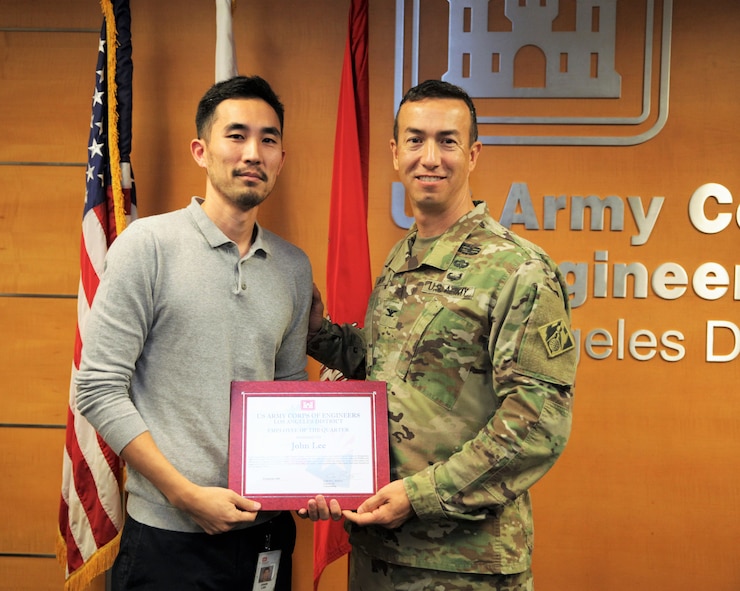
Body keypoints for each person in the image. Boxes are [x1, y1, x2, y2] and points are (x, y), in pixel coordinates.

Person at [301, 79, 577, 590]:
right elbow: (390, 368)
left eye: (447, 141)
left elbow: (539, 422)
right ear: (394, 152)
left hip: (462, 566)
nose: (430, 157)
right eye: (415, 139)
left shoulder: (518, 268)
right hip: (378, 554)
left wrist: (420, 495)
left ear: (472, 154)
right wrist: (320, 334)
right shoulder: (401, 257)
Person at [75, 75, 312, 590]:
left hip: (264, 538)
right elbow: (96, 387)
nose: (253, 152)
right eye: (237, 135)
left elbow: (289, 396)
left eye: (268, 139)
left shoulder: (293, 267)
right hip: (168, 539)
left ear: (281, 159)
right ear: (201, 150)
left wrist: (308, 483)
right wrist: (184, 494)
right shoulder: (147, 246)